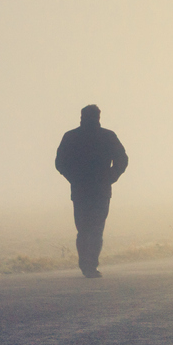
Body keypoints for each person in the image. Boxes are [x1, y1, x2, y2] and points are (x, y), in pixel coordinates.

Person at [54, 104, 128, 278]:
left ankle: (86, 265)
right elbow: (122, 159)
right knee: (96, 229)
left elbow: (60, 163)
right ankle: (90, 265)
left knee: (83, 229)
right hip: (101, 189)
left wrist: (73, 177)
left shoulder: (71, 137)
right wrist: (111, 176)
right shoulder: (108, 136)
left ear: (81, 116)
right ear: (99, 117)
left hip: (80, 190)